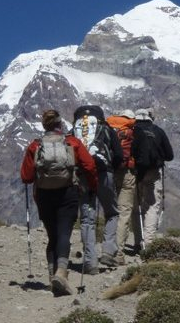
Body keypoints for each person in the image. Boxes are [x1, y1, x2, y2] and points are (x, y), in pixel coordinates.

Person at [20, 109, 98, 296]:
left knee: (52, 236)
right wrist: (93, 186)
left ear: (44, 126)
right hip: (68, 193)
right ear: (60, 125)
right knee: (64, 234)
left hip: (45, 196)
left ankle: (51, 278)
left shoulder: (35, 146)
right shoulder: (72, 142)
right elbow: (89, 165)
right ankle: (61, 273)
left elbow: (26, 177)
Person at [72, 105, 123, 272]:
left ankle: (90, 262)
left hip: (83, 176)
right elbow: (119, 155)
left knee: (87, 219)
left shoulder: (73, 131)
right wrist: (111, 169)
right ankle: (108, 251)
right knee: (112, 212)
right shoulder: (106, 129)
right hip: (104, 173)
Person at [132, 108, 174, 246]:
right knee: (151, 206)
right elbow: (170, 156)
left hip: (135, 172)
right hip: (154, 173)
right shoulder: (158, 131)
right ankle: (148, 243)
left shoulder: (131, 130)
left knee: (135, 206)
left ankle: (138, 241)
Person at [106, 109, 141, 265]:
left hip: (108, 172)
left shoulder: (109, 128)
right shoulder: (131, 131)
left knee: (111, 211)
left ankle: (105, 248)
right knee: (124, 212)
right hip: (127, 173)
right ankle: (117, 253)